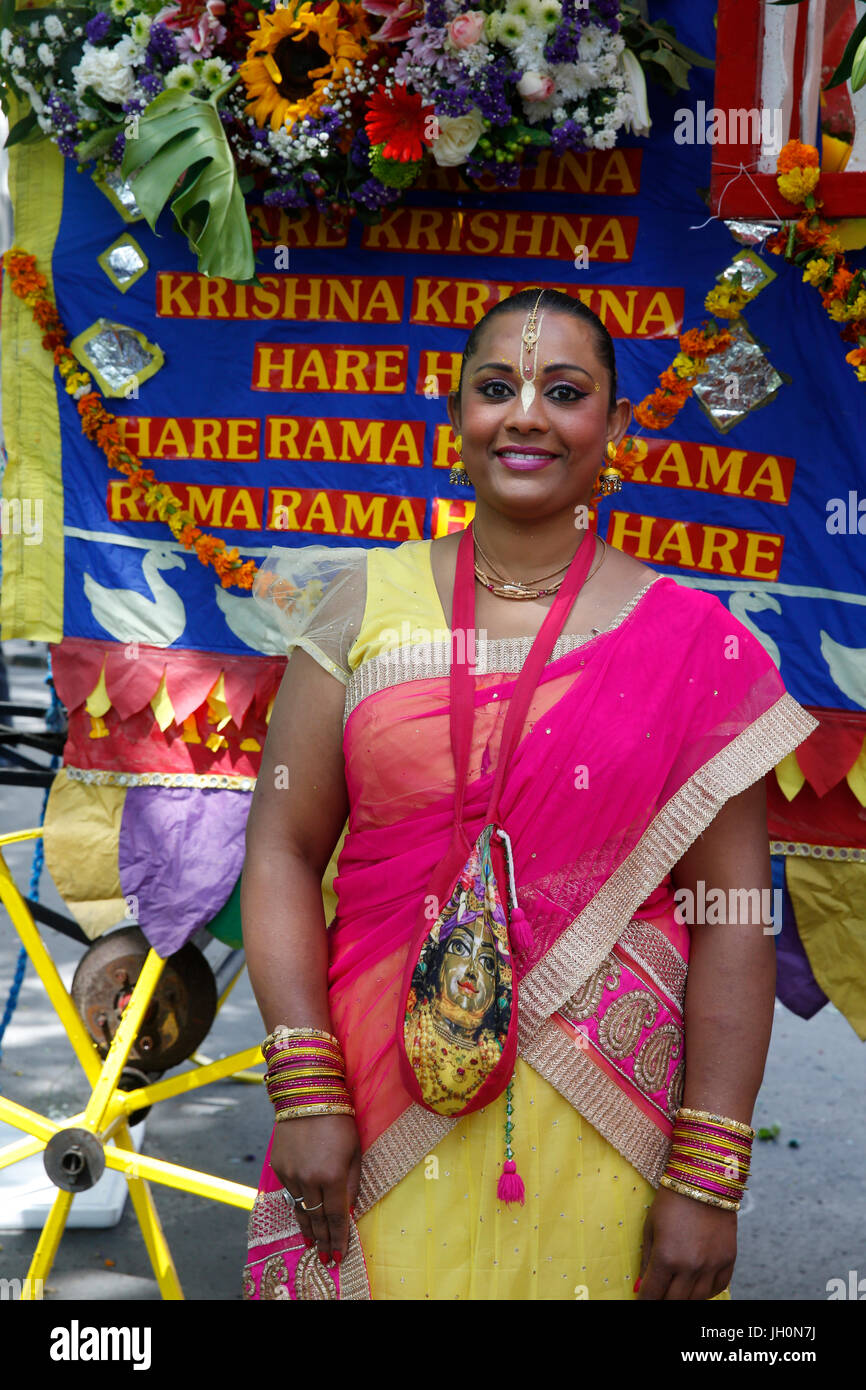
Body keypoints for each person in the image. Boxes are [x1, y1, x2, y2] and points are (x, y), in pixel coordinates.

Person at [240, 287, 817, 1301]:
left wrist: (710, 1171)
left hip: (611, 1112)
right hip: (373, 1088)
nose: (524, 415)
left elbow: (731, 916)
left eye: (563, 390)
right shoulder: (361, 606)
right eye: (495, 387)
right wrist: (303, 1081)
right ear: (454, 414)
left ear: (614, 429)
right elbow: (282, 849)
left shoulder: (691, 642)